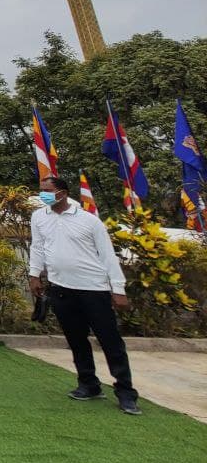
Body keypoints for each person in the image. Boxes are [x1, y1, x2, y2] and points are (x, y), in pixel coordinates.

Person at [29, 175, 140, 415]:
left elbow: (108, 256)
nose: (43, 195)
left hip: (93, 288)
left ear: (63, 193)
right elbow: (37, 246)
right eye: (41, 190)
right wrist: (34, 274)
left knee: (110, 342)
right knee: (76, 340)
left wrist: (117, 289)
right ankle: (88, 383)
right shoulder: (39, 218)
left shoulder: (89, 221)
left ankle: (125, 392)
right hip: (60, 287)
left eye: (48, 190)